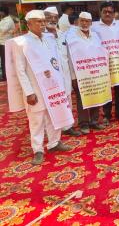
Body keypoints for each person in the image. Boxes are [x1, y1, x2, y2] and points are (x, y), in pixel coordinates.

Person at [11, 10, 71, 165]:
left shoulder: (50, 39)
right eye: (38, 21)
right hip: (35, 88)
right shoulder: (21, 42)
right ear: (29, 24)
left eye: (43, 21)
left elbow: (56, 61)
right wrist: (29, 92)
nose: (43, 24)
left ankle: (54, 143)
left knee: (54, 115)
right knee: (37, 120)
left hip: (53, 86)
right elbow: (20, 70)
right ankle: (38, 149)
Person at [43, 6, 81, 137]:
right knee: (51, 103)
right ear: (43, 19)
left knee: (67, 99)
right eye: (49, 17)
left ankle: (67, 126)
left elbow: (69, 57)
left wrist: (73, 76)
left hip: (64, 74)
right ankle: (50, 130)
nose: (52, 20)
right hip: (49, 77)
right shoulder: (40, 37)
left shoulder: (62, 35)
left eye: (55, 17)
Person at [67, 12, 106, 134]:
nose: (84, 23)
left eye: (87, 21)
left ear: (91, 23)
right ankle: (84, 123)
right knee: (82, 99)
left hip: (95, 72)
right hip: (81, 75)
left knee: (96, 95)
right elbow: (70, 58)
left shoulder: (95, 36)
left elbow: (101, 53)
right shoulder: (72, 38)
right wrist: (73, 77)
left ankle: (94, 121)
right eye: (82, 21)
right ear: (78, 21)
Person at [91, 2, 119, 124]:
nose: (107, 14)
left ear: (114, 14)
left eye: (110, 12)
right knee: (106, 90)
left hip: (118, 64)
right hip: (103, 65)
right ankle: (107, 115)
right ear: (100, 13)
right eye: (105, 11)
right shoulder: (94, 27)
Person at [0, 6, 15, 81]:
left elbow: (2, 31)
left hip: (5, 43)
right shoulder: (3, 20)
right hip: (1, 42)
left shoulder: (9, 20)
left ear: (3, 12)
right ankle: (3, 75)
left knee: (4, 60)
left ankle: (5, 76)